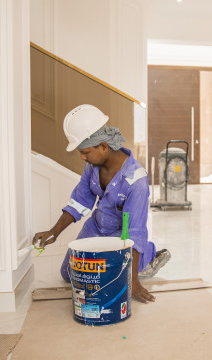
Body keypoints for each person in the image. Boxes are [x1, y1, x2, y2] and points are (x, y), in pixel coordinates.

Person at [33, 104, 171, 303]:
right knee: (71, 274)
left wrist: (132, 282)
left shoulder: (136, 181)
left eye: (85, 152)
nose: (82, 157)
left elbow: (134, 231)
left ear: (104, 146)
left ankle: (147, 254)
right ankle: (125, 263)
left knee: (107, 279)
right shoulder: (93, 165)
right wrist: (54, 232)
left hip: (121, 234)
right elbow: (80, 201)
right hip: (96, 227)